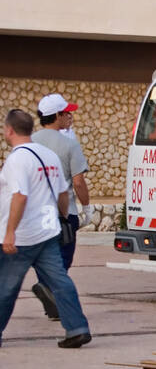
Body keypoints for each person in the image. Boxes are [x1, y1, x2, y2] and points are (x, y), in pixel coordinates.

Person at [0, 109, 91, 349]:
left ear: (9, 130)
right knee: (60, 281)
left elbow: (20, 196)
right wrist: (61, 216)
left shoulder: (17, 159)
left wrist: (10, 232)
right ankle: (77, 328)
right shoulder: (48, 156)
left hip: (22, 236)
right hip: (48, 231)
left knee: (5, 287)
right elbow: (62, 193)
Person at [30, 94, 90, 322]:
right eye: (66, 113)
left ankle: (50, 301)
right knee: (63, 260)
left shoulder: (30, 143)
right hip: (64, 212)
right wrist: (88, 207)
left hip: (36, 213)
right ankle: (50, 292)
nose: (70, 117)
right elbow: (77, 181)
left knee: (44, 257)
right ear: (56, 116)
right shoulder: (69, 144)